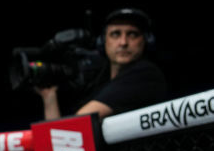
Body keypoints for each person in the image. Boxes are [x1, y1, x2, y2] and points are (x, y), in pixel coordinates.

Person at [38, 7, 166, 120]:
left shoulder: (145, 74)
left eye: (132, 34)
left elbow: (74, 127)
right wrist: (49, 97)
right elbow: (60, 136)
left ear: (146, 41)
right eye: (115, 34)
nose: (123, 42)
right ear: (103, 41)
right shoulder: (100, 82)